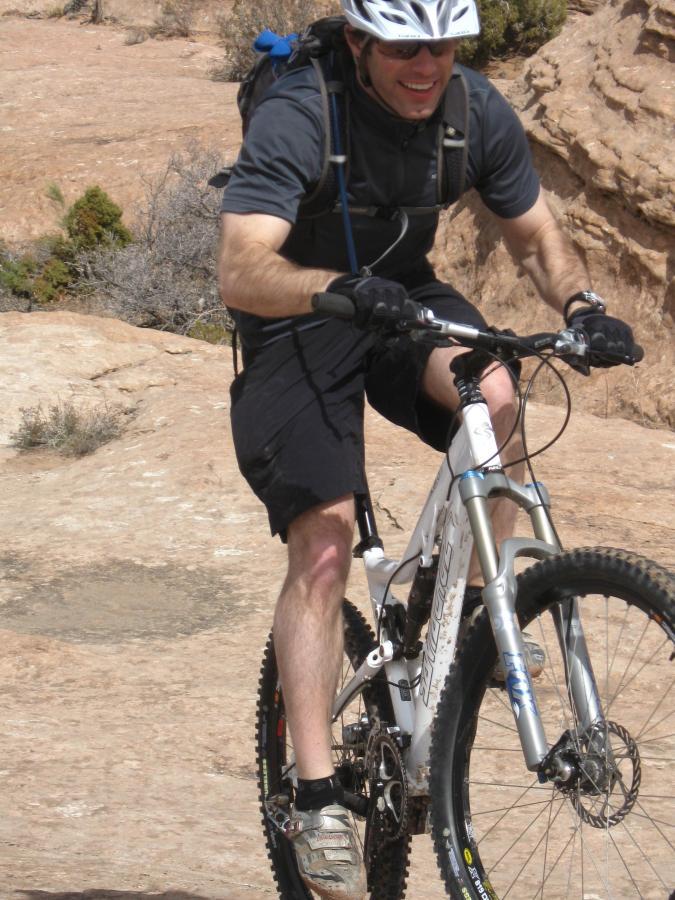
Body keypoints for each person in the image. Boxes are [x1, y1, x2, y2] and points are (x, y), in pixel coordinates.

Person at [217, 1, 636, 897]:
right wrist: (334, 289)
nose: (425, 67)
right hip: (298, 314)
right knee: (324, 540)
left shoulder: (471, 109)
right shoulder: (304, 112)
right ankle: (319, 793)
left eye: (441, 47)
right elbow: (241, 264)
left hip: (403, 297)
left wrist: (579, 308)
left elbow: (530, 233)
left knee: (494, 391)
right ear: (362, 46)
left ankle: (470, 611)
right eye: (405, 49)